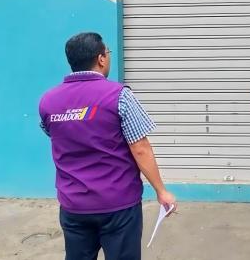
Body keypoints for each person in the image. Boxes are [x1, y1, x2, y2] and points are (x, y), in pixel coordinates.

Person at [38, 32, 177, 260]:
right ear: (101, 58)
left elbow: (53, 133)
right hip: (118, 206)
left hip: (73, 206)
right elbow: (140, 148)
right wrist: (161, 191)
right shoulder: (119, 96)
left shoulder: (48, 101)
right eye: (108, 53)